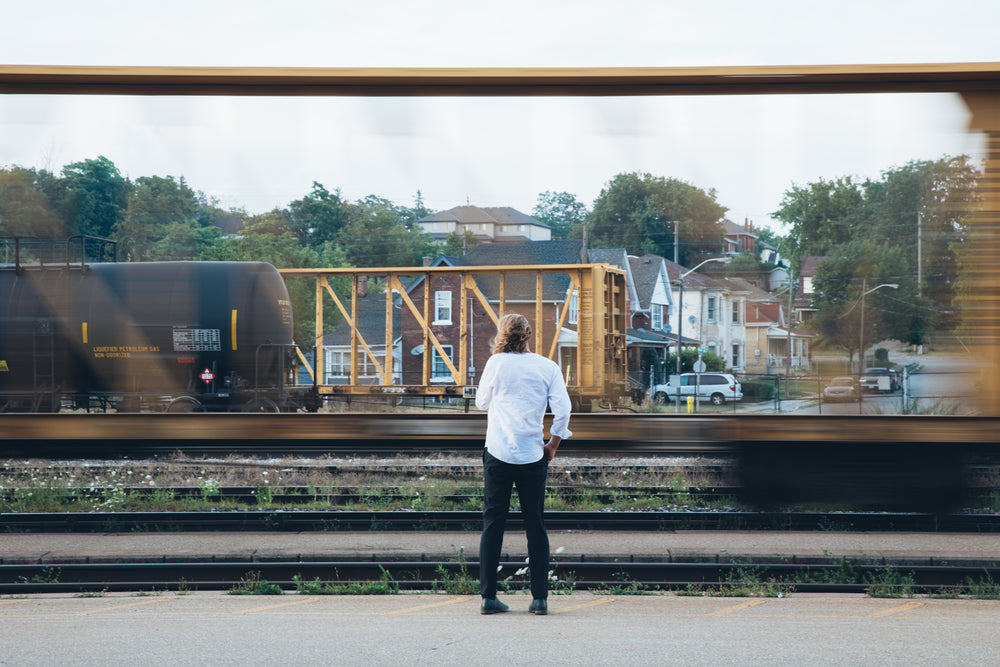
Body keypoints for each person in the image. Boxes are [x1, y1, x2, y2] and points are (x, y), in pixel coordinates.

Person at [474, 313, 572, 615]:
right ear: (529, 335)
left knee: (493, 523)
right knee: (535, 525)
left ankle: (489, 598)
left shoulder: (496, 363)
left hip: (499, 451)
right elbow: (564, 411)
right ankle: (540, 599)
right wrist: (553, 444)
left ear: (503, 334)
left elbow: (481, 403)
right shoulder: (547, 366)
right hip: (533, 454)